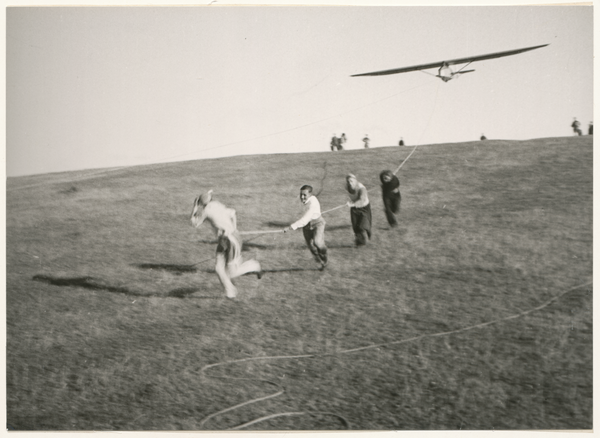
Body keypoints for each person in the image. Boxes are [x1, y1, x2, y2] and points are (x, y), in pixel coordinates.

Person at [191, 190, 262, 299]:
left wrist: (194, 208)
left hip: (231, 241)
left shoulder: (206, 211)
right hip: (223, 240)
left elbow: (195, 223)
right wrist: (234, 228)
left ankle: (254, 265)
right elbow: (233, 213)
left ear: (201, 204)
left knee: (232, 273)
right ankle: (230, 291)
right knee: (218, 268)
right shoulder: (217, 204)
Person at [283, 185, 328, 269]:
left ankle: (324, 255)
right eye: (301, 194)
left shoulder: (312, 204)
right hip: (307, 226)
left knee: (317, 242)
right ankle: (320, 263)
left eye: (304, 195)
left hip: (317, 223)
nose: (302, 197)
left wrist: (290, 227)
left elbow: (304, 219)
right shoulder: (305, 201)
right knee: (311, 246)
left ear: (310, 194)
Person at [345, 174, 372, 246]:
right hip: (354, 209)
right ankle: (360, 242)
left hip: (364, 208)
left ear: (356, 181)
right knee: (355, 226)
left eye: (352, 181)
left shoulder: (361, 188)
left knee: (362, 225)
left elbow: (362, 200)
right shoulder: (347, 187)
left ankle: (363, 240)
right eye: (348, 181)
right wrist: (351, 202)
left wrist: (352, 204)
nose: (350, 183)